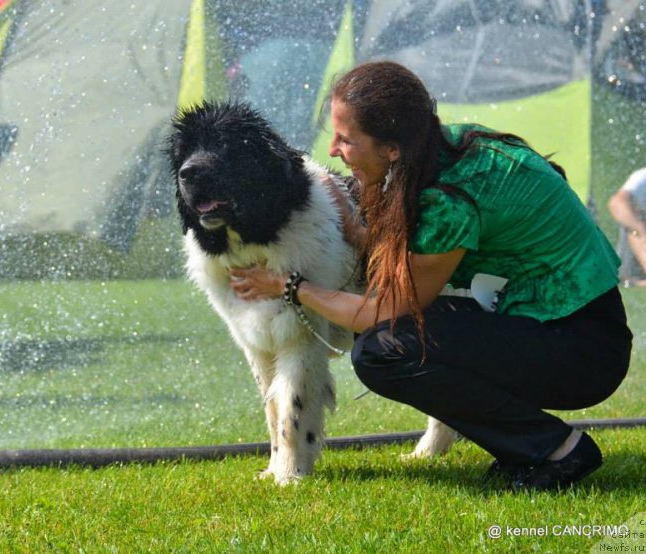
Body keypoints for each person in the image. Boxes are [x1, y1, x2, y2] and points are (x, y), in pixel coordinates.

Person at [229, 61, 632, 491]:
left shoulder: (448, 200)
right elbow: (413, 261)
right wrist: (356, 233)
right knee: (413, 336)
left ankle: (557, 451)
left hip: (582, 352)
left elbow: (381, 312)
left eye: (347, 139)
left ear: (392, 149)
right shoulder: (449, 145)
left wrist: (290, 288)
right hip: (575, 330)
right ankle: (525, 449)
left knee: (384, 351)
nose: (332, 150)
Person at [607, 167, 646, 287]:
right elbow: (617, 203)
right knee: (634, 223)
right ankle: (632, 280)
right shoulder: (642, 177)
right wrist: (641, 230)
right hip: (637, 254)